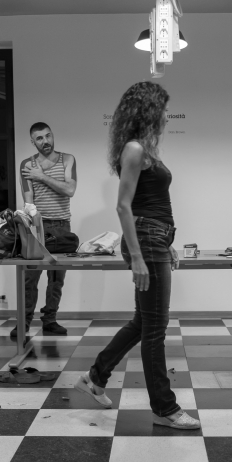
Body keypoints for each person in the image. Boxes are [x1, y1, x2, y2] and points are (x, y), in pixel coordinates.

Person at [74, 82, 200, 430]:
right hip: (146, 240)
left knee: (143, 323)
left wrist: (165, 241)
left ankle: (95, 377)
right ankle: (164, 408)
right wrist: (140, 256)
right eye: (163, 109)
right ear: (149, 111)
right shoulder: (134, 149)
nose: (166, 116)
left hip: (154, 238)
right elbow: (123, 206)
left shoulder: (144, 149)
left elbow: (149, 203)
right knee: (155, 330)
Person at [11, 122, 77, 337]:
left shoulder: (67, 159)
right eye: (39, 138)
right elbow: (28, 200)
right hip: (38, 227)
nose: (45, 141)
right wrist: (32, 223)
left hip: (62, 226)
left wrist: (41, 177)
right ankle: (24, 323)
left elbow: (70, 190)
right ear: (33, 142)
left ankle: (50, 320)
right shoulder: (26, 164)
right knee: (30, 278)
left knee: (56, 279)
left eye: (48, 136)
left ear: (52, 135)